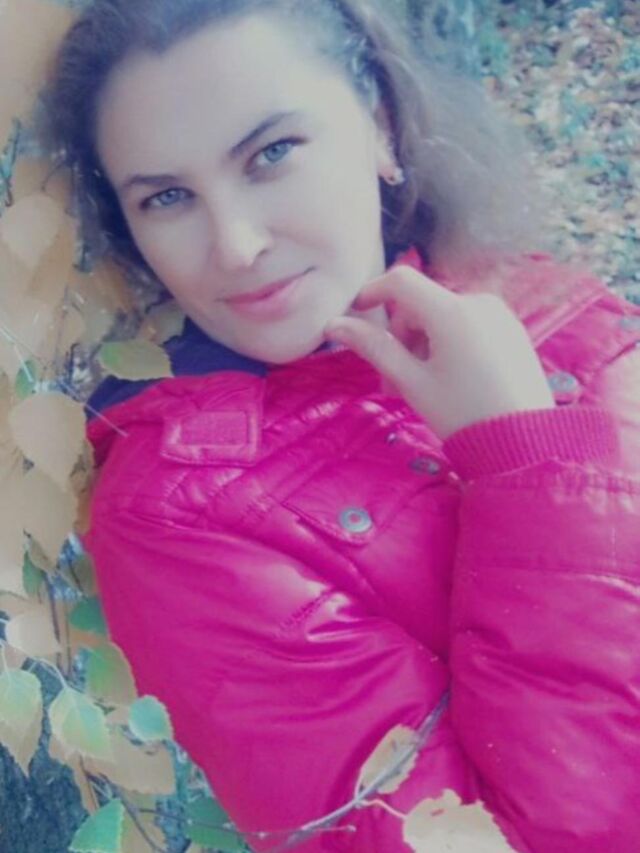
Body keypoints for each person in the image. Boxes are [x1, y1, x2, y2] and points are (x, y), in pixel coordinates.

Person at [41, 1, 640, 850]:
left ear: (380, 128)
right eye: (167, 197)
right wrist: (522, 459)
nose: (237, 245)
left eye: (272, 154)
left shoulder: (541, 302)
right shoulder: (178, 517)